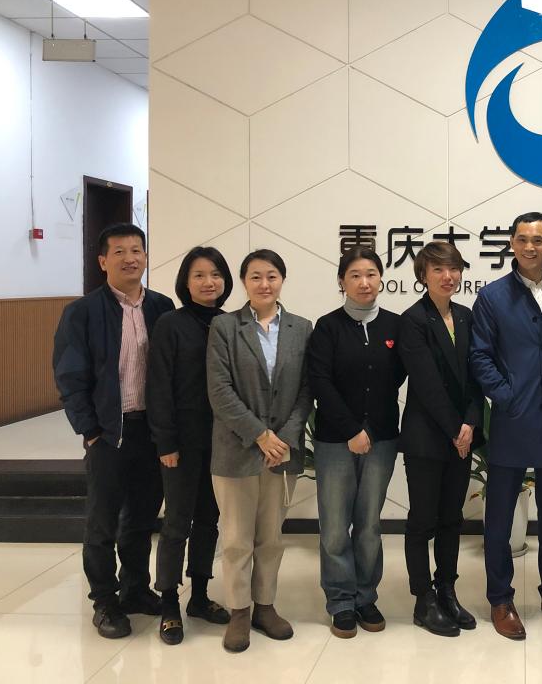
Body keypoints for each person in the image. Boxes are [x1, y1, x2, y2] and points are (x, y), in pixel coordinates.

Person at [52, 223, 174, 639]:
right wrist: (89, 430)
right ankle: (104, 601)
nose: (129, 258)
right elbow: (69, 375)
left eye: (136, 250)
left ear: (145, 257)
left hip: (151, 431)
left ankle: (135, 589)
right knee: (102, 523)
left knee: (142, 517)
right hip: (108, 432)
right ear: (103, 261)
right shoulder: (82, 312)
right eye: (119, 251)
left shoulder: (162, 307)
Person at [471, 212, 542, 640]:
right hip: (512, 420)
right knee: (500, 516)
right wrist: (507, 395)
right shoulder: (492, 297)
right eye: (522, 239)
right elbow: (480, 355)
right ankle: (500, 598)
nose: (530, 247)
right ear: (512, 245)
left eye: (538, 239)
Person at [207, 249, 312, 653]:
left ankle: (265, 606)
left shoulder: (302, 328)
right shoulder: (224, 327)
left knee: (271, 536)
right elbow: (219, 390)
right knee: (236, 537)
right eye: (255, 277)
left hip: (282, 452)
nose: (264, 284)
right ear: (244, 282)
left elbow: (306, 391)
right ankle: (239, 610)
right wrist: (259, 435)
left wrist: (282, 438)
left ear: (282, 280)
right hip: (236, 450)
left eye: (271, 276)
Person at [307, 247, 406, 639]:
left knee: (368, 524)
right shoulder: (327, 327)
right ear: (342, 282)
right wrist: (351, 429)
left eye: (371, 274)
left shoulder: (396, 326)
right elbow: (320, 383)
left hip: (382, 439)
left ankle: (365, 596)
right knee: (335, 527)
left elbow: (397, 378)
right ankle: (341, 601)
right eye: (355, 275)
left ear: (381, 278)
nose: (364, 282)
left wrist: (371, 428)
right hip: (335, 440)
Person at [147, 246, 234, 644]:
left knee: (209, 520)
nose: (208, 282)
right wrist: (165, 440)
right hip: (180, 443)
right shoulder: (171, 324)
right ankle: (169, 602)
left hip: (221, 443)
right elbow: (158, 385)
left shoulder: (230, 323)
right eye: (199, 275)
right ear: (185, 281)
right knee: (176, 523)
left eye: (215, 274)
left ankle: (199, 596)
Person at [398, 241, 486, 637]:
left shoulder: (466, 316)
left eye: (453, 269)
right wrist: (456, 430)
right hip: (427, 437)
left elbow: (476, 376)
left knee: (452, 518)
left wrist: (470, 423)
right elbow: (427, 384)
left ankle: (447, 590)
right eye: (438, 270)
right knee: (422, 519)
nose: (448, 277)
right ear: (423, 276)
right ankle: (423, 599)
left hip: (461, 436)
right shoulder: (413, 320)